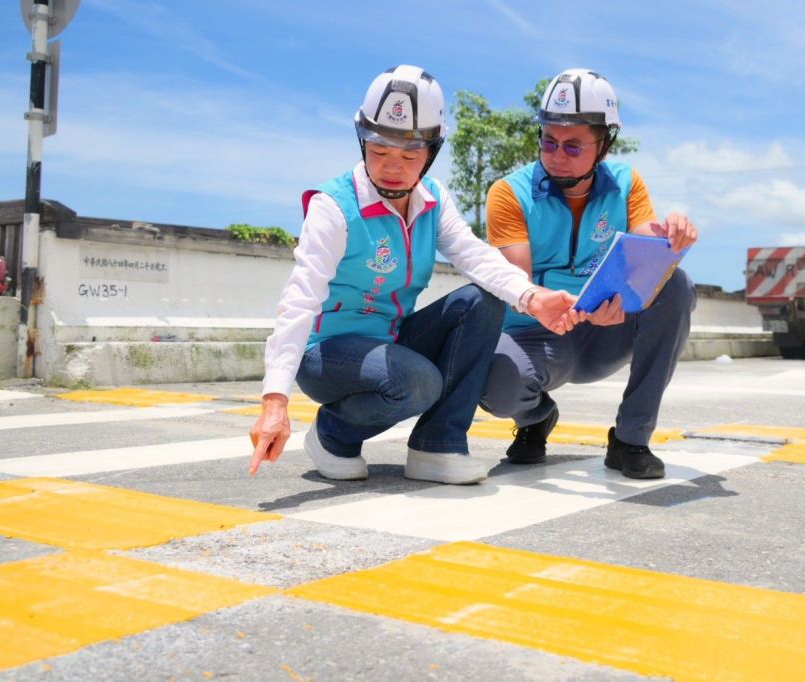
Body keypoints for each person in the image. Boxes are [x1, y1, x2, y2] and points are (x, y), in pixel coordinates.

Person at [248, 65, 581, 485]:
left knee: (481, 301)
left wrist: (532, 297)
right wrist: (275, 400)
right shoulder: (333, 207)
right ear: (362, 140)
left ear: (431, 152)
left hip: (391, 340)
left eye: (409, 156)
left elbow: (474, 255)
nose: (393, 167)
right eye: (379, 151)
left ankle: (437, 446)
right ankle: (333, 435)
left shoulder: (433, 200)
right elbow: (300, 298)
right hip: (327, 353)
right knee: (418, 382)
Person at [479, 68, 698, 479]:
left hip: (606, 332)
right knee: (492, 380)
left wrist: (673, 235)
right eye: (549, 140)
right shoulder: (509, 194)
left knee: (677, 285)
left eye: (573, 145)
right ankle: (536, 418)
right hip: (538, 335)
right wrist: (576, 307)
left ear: (604, 144)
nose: (557, 154)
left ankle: (631, 439)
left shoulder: (627, 184)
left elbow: (647, 256)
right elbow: (517, 286)